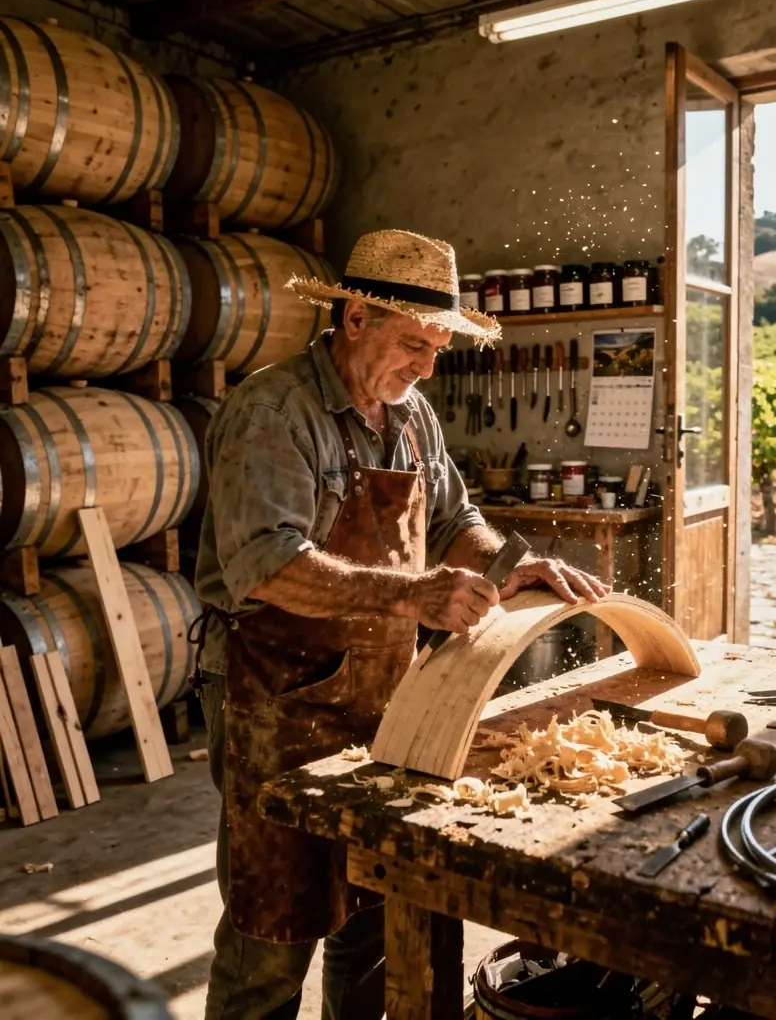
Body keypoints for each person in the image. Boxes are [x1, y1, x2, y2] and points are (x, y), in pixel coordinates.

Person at [190, 228, 611, 1020]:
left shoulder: (410, 412)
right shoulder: (274, 410)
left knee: (376, 910)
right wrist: (414, 596)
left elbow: (457, 517)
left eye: (437, 349)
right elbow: (264, 565)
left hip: (383, 688)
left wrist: (504, 566)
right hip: (272, 692)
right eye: (413, 344)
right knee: (273, 925)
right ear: (354, 318)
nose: (425, 367)